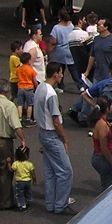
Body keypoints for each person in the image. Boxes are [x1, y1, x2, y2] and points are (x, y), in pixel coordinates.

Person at [35, 62, 75, 215]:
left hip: (42, 132)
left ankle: (51, 203)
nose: (62, 75)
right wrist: (64, 138)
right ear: (55, 74)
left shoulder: (40, 87)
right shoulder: (51, 94)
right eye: (60, 72)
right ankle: (61, 205)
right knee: (66, 171)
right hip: (51, 134)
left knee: (50, 170)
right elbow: (56, 120)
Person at [0, 79, 27, 211]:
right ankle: (5, 201)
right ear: (7, 91)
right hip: (4, 141)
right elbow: (15, 124)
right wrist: (22, 138)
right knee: (5, 171)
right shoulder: (9, 105)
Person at [84, 18, 112, 84]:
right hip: (97, 76)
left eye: (98, 25)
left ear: (106, 27)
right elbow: (92, 56)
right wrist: (87, 72)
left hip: (110, 77)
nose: (96, 26)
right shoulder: (96, 39)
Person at [88, 97, 112, 191]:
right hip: (103, 158)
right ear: (107, 109)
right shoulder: (102, 125)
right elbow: (104, 148)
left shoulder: (101, 121)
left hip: (98, 156)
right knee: (107, 187)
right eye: (111, 106)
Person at [48, 9, 79, 91]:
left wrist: (47, 52)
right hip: (70, 51)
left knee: (60, 70)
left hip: (60, 53)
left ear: (59, 17)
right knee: (74, 70)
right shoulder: (72, 26)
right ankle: (80, 86)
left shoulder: (56, 28)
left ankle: (60, 86)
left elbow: (53, 43)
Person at [9, 144, 35, 211]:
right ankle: (28, 202)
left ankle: (22, 205)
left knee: (20, 193)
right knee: (28, 192)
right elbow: (32, 173)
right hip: (28, 181)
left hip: (19, 181)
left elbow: (11, 170)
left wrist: (8, 163)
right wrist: (34, 179)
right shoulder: (29, 164)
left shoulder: (16, 163)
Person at [15, 52, 37, 126]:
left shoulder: (18, 69)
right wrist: (36, 87)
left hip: (20, 88)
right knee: (30, 104)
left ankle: (19, 118)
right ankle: (28, 119)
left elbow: (17, 75)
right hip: (29, 88)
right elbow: (34, 80)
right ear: (28, 60)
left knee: (20, 104)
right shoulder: (30, 69)